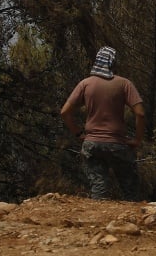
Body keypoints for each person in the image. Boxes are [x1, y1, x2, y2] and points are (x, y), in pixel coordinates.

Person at [61, 46, 145, 201]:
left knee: (98, 187)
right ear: (113, 63)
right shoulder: (124, 84)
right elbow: (140, 113)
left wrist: (78, 133)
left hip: (91, 143)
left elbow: (65, 112)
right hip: (117, 143)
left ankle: (96, 221)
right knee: (130, 187)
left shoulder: (85, 84)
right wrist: (137, 140)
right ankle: (130, 220)